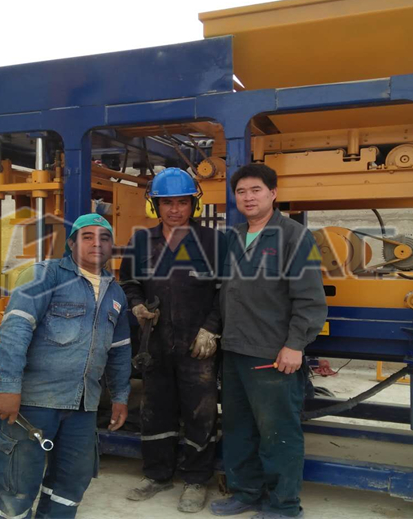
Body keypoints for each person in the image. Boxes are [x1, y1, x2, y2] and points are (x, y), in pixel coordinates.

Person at [0, 213, 131, 519]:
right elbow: (15, 331)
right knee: (15, 490)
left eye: (104, 238)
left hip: (83, 407)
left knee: (69, 488)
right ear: (72, 244)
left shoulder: (116, 293)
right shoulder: (44, 275)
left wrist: (120, 396)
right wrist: (8, 387)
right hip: (34, 403)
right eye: (88, 237)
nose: (97, 243)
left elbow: (119, 351)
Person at [210, 164, 327, 519]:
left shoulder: (295, 237)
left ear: (273, 193)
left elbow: (310, 298)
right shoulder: (232, 237)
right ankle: (245, 492)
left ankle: (284, 505)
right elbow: (222, 291)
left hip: (272, 353)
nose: (248, 197)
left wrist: (295, 345)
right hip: (234, 350)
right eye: (241, 191)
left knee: (278, 432)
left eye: (256, 190)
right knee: (238, 428)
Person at [119, 168, 225, 513]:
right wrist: (136, 305)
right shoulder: (141, 242)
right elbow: (129, 283)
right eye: (167, 203)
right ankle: (157, 474)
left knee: (200, 412)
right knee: (155, 409)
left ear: (194, 204)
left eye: (182, 202)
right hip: (155, 343)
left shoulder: (213, 242)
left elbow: (226, 290)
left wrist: (211, 328)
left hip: (198, 346)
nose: (175, 209)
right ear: (155, 205)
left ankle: (196, 480)